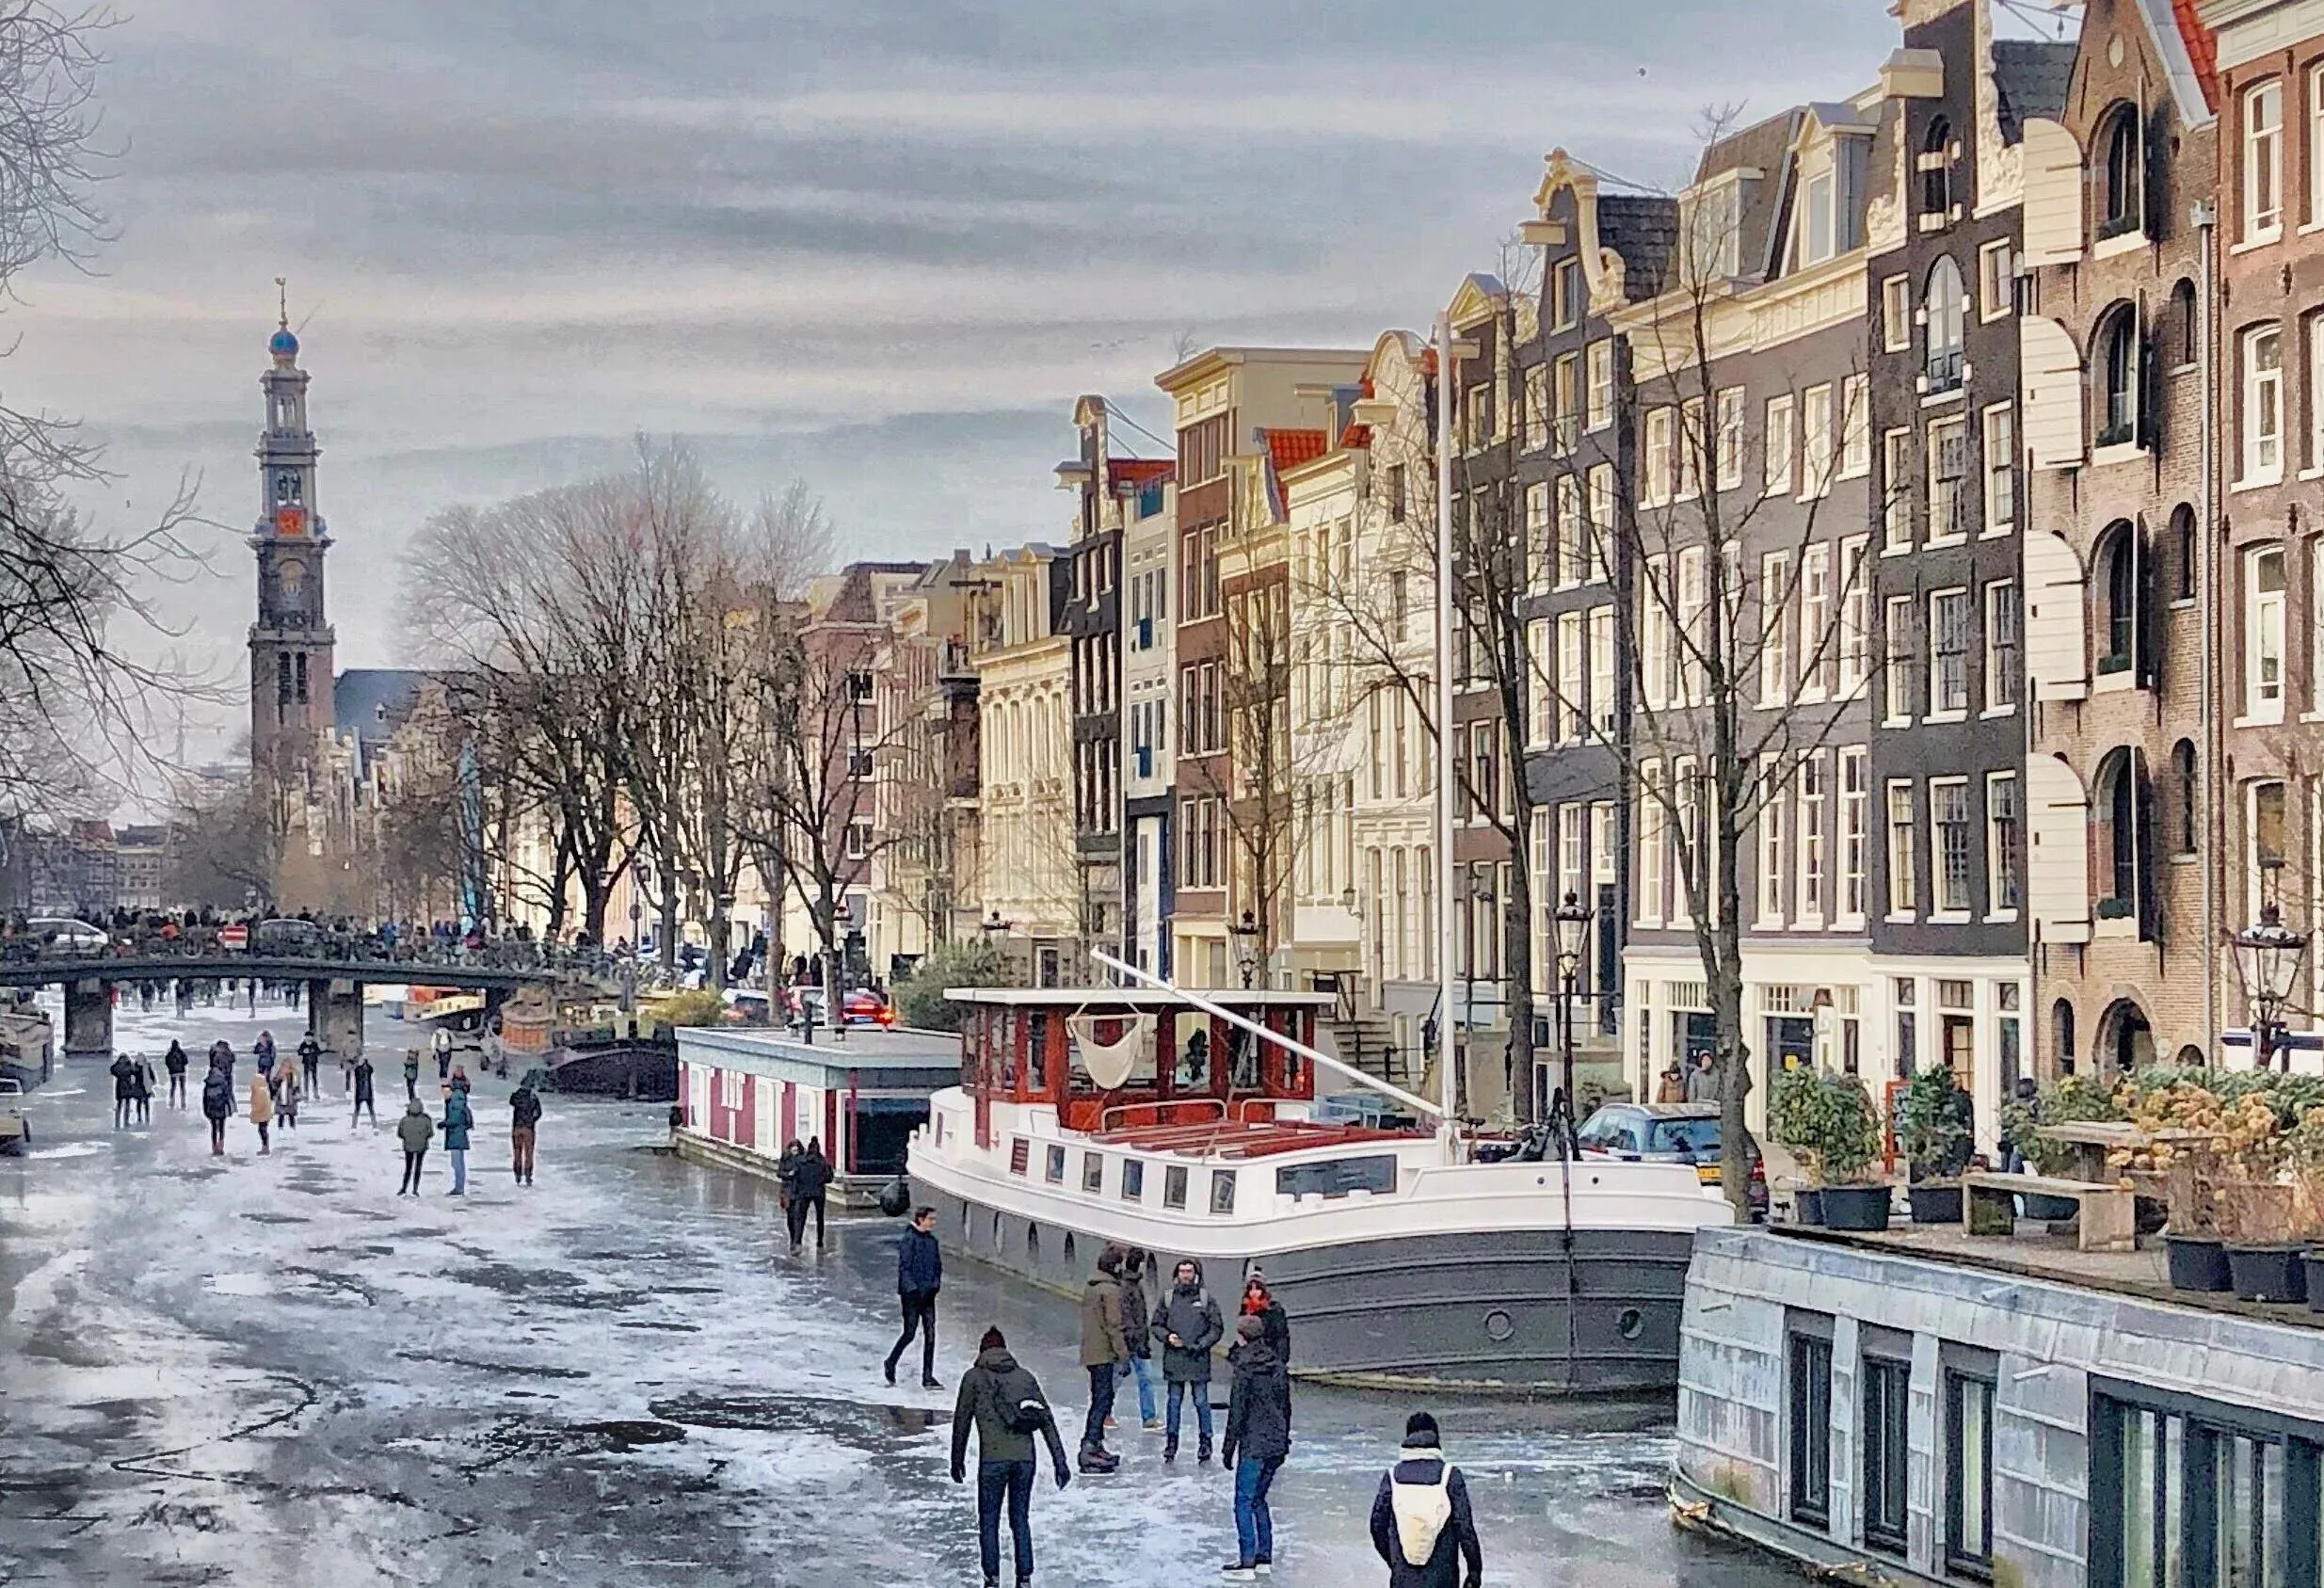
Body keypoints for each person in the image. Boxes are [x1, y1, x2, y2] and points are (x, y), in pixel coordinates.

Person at [951, 1324, 1070, 1588]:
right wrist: (1059, 1462)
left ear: (982, 1351)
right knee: (1020, 1518)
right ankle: (1024, 1577)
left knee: (989, 1520)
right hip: (1025, 1459)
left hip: (993, 1460)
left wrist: (956, 1460)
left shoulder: (973, 1378)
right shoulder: (1025, 1376)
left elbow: (962, 1420)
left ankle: (992, 1577)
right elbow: (1046, 1419)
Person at [1369, 1412, 1483, 1588]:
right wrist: (1474, 1572)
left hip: (1403, 1580)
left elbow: (1377, 1527)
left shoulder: (1392, 1477)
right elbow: (1465, 1529)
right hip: (1443, 1579)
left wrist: (1396, 1562)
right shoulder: (1449, 1476)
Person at [1220, 1314, 1292, 1581]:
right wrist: (1285, 1439)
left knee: (1243, 1500)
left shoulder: (1245, 1367)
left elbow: (1237, 1411)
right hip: (1275, 1441)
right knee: (1259, 1499)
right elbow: (1286, 1407)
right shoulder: (1277, 1365)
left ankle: (1246, 1561)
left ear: (1241, 1337)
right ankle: (1264, 1557)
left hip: (1254, 1443)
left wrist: (1228, 1447)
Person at [1151, 1257, 1224, 1464]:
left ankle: (1205, 1441)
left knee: (1201, 1401)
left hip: (1198, 1357)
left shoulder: (1206, 1298)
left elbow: (1216, 1327)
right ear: (1177, 1274)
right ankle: (1172, 1442)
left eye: (1189, 1271)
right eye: (1182, 1271)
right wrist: (1167, 1337)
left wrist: (1201, 1344)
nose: (1185, 1275)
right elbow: (1156, 1324)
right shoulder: (1167, 1298)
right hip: (1175, 1358)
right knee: (1174, 1402)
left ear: (1195, 1274)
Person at [1076, 1246, 1129, 1473]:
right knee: (1103, 1399)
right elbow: (1113, 1325)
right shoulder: (1110, 1291)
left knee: (1099, 1397)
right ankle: (1090, 1445)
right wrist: (1123, 1353)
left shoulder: (1092, 1287)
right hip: (1104, 1352)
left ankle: (1094, 1444)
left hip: (1091, 1349)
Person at [885, 1205, 943, 1387]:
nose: (933, 1222)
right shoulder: (909, 1240)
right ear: (921, 1219)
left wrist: (935, 1285)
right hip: (912, 1296)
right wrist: (912, 1289)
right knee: (909, 1333)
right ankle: (891, 1362)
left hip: (929, 1295)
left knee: (931, 1335)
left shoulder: (932, 1241)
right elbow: (905, 1267)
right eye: (930, 1219)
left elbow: (937, 1266)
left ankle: (927, 1376)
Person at [1115, 1248, 1159, 1431]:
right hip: (1134, 1341)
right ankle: (1148, 1417)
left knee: (1119, 1378)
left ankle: (1107, 1412)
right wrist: (1140, 1340)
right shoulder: (1131, 1286)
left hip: (1131, 1340)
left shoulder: (1126, 1285)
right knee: (1143, 1378)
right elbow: (1133, 1317)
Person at [1241, 1274, 1291, 1363]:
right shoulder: (1244, 1310)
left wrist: (1280, 1362)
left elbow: (1281, 1339)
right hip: (1249, 1361)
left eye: (1257, 1289)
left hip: (1271, 1361)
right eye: (1250, 1288)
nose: (1254, 1292)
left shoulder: (1275, 1312)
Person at [795, 1137, 831, 1247]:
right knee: (820, 1217)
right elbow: (829, 1178)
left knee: (801, 1217)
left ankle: (798, 1240)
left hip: (804, 1192)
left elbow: (796, 1176)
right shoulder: (823, 1161)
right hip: (819, 1192)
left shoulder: (800, 1160)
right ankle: (820, 1241)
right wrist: (820, 1181)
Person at [441, 1083, 473, 1195]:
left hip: (456, 1136)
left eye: (444, 1092)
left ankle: (459, 1188)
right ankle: (459, 1187)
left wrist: (444, 1124)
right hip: (458, 1135)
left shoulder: (455, 1103)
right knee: (458, 1163)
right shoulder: (457, 1101)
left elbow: (455, 1119)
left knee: (457, 1163)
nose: (443, 1095)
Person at [396, 1099, 433, 1195]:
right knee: (418, 1167)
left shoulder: (404, 1120)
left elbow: (400, 1134)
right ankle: (415, 1189)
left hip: (408, 1146)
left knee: (408, 1168)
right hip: (422, 1146)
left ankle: (404, 1188)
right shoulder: (426, 1120)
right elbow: (430, 1134)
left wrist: (407, 1138)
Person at [509, 1079, 541, 1186]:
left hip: (517, 1127)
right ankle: (528, 1176)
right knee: (529, 1153)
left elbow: (511, 1102)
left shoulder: (516, 1096)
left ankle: (517, 1175)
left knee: (517, 1152)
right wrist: (531, 1121)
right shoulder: (533, 1098)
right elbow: (538, 1113)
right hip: (529, 1128)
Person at [201, 1058, 233, 1155]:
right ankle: (221, 1145)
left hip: (211, 1109)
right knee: (222, 1126)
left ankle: (214, 1146)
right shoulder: (223, 1082)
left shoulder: (207, 1084)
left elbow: (205, 1100)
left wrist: (206, 1111)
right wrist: (230, 1108)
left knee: (214, 1128)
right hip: (221, 1108)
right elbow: (227, 1095)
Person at [248, 1062, 273, 1155]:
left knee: (262, 1130)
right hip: (265, 1112)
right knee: (263, 1129)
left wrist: (255, 1111)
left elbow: (257, 1102)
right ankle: (265, 1147)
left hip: (261, 1112)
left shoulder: (259, 1089)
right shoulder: (264, 1088)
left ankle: (265, 1147)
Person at [109, 1054, 136, 1130]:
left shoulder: (120, 1067)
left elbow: (113, 1070)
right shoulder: (127, 1067)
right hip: (124, 1087)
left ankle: (121, 1121)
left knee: (123, 1105)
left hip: (124, 1086)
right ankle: (122, 1121)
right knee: (122, 1105)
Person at [352, 1053, 377, 1127]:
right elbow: (371, 1070)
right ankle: (374, 1125)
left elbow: (370, 1070)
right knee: (370, 1110)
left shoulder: (359, 1070)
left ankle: (354, 1125)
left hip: (360, 1094)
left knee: (357, 1110)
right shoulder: (365, 1070)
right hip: (366, 1093)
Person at [163, 1040, 188, 1109]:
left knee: (173, 1087)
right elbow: (186, 1061)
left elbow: (166, 1062)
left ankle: (172, 1102)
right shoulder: (181, 1053)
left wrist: (170, 1068)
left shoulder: (170, 1053)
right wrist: (182, 1065)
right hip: (181, 1072)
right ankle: (183, 1102)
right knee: (182, 1087)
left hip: (173, 1072)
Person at [132, 1052, 155, 1125]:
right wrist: (152, 1081)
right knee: (146, 1102)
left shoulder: (135, 1067)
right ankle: (146, 1117)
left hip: (139, 1086)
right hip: (145, 1086)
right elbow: (152, 1076)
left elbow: (132, 1077)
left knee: (139, 1102)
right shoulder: (147, 1066)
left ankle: (139, 1117)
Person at [298, 1033, 322, 1097]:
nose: (309, 1038)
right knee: (306, 1078)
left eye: (310, 1037)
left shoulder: (314, 1044)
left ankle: (315, 1092)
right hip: (306, 1063)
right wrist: (303, 1051)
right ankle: (306, 1092)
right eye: (307, 1037)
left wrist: (313, 1051)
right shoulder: (303, 1044)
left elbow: (319, 1052)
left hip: (313, 1063)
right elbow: (299, 1052)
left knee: (314, 1078)